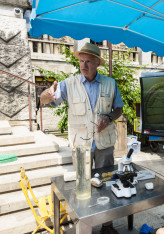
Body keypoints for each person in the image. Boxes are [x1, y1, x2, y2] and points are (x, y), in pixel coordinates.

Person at [40, 42, 123, 233]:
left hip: (104, 144)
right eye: (81, 61)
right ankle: (85, 224)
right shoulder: (69, 84)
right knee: (83, 187)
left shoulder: (110, 84)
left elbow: (118, 109)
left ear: (97, 64)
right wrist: (47, 95)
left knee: (106, 183)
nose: (84, 65)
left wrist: (109, 118)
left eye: (88, 62)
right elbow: (45, 100)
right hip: (80, 146)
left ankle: (107, 224)